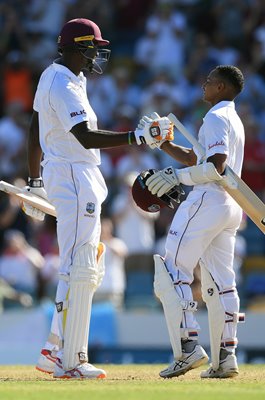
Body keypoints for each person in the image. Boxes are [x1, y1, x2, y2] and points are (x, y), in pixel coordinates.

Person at [23, 18, 173, 380]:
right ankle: (70, 360)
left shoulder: (58, 76)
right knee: (79, 267)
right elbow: (85, 137)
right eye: (93, 47)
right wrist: (137, 139)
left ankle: (55, 349)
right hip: (75, 174)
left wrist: (34, 179)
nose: (97, 54)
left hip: (70, 174)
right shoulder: (62, 83)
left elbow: (34, 128)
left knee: (82, 265)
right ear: (77, 47)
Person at [145, 65, 245, 379]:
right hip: (231, 205)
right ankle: (225, 357)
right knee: (221, 282)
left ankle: (187, 349)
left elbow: (214, 167)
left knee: (172, 271)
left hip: (207, 198)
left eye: (210, 81)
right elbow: (198, 158)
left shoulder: (215, 117)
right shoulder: (233, 119)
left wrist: (177, 177)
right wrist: (164, 145)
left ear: (222, 87)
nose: (204, 84)